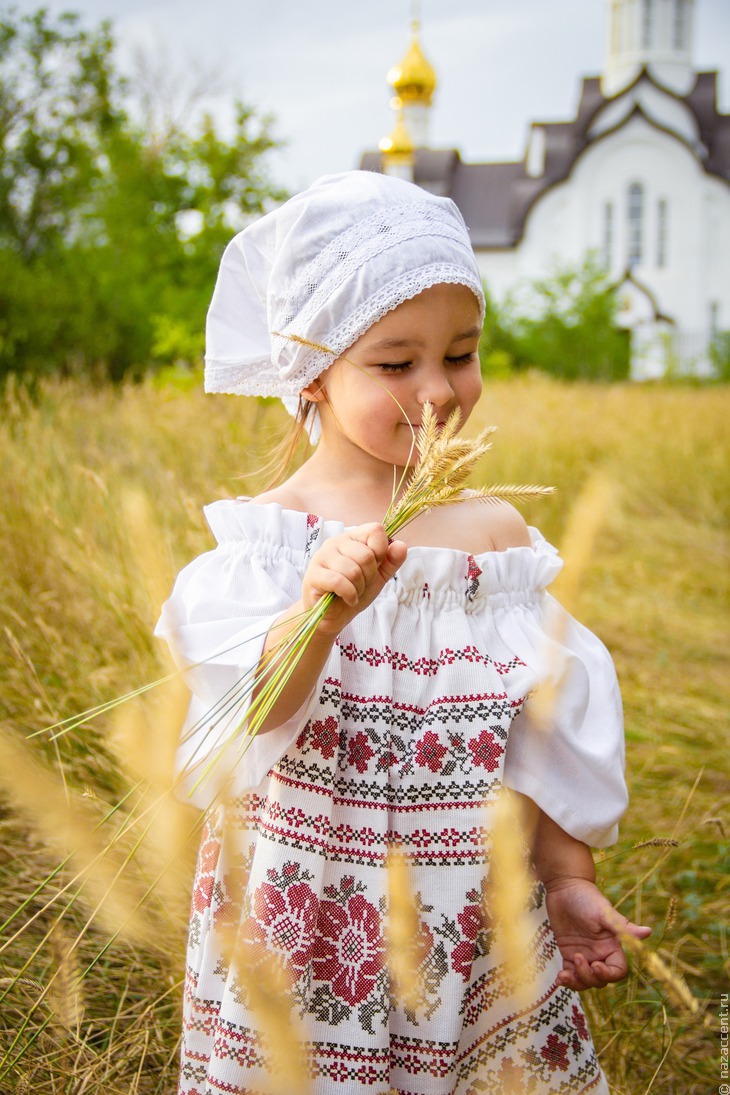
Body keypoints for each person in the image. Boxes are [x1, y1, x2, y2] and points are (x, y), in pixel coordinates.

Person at [155, 171, 650, 1095]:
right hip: (315, 913)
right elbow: (252, 718)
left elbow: (533, 730)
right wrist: (317, 616)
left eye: (460, 354)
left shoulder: (493, 538)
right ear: (313, 370)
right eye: (395, 363)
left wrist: (569, 874)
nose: (438, 390)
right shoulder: (271, 541)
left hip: (463, 907)